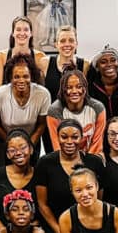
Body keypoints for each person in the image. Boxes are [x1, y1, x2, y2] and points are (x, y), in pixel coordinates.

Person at [35, 119, 105, 233]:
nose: (69, 141)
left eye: (75, 137)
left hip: (86, 222)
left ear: (82, 138)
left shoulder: (94, 162)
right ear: (57, 137)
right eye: (64, 137)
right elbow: (42, 204)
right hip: (56, 224)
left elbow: (99, 198)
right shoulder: (46, 163)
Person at [38, 25, 90, 154]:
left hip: (77, 122)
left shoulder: (85, 65)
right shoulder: (44, 63)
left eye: (71, 40)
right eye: (62, 41)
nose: (67, 44)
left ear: (76, 44)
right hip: (52, 122)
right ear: (56, 44)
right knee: (55, 158)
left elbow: (88, 97)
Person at [0, 53, 50, 158]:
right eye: (16, 77)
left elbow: (41, 125)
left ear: (32, 77)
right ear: (10, 78)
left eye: (25, 76)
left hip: (32, 140)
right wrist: (13, 144)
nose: (21, 80)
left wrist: (29, 145)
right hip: (5, 140)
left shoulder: (43, 94)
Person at [0, 130, 38, 231]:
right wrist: (4, 232)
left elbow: (44, 208)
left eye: (23, 148)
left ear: (31, 149)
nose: (18, 153)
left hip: (33, 232)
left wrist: (29, 231)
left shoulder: (40, 175)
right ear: (7, 154)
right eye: (12, 150)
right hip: (1, 231)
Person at [46, 69, 106, 154]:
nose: (74, 91)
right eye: (69, 87)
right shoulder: (55, 111)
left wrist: (89, 163)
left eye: (79, 87)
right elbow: (57, 147)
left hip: (92, 157)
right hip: (66, 159)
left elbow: (97, 144)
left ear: (85, 88)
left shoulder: (98, 108)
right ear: (63, 90)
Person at [0, 16, 46, 89]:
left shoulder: (40, 57)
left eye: (26, 30)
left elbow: (42, 88)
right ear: (13, 33)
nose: (22, 33)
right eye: (18, 29)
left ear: (31, 33)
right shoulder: (0, 57)